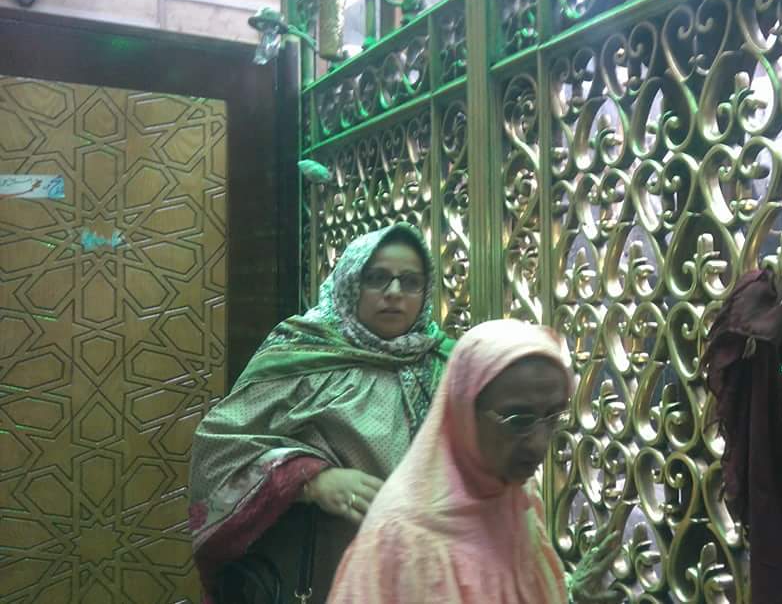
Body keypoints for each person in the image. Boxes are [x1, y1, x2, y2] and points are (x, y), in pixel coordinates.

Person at [188, 222, 454, 604]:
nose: (394, 292)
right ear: (350, 281)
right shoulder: (301, 351)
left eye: (410, 282)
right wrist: (311, 481)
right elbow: (218, 449)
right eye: (377, 278)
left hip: (429, 574)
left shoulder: (449, 363)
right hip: (324, 569)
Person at [327, 319, 622, 604]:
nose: (539, 443)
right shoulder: (402, 539)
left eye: (553, 417)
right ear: (464, 412)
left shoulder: (513, 497)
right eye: (518, 420)